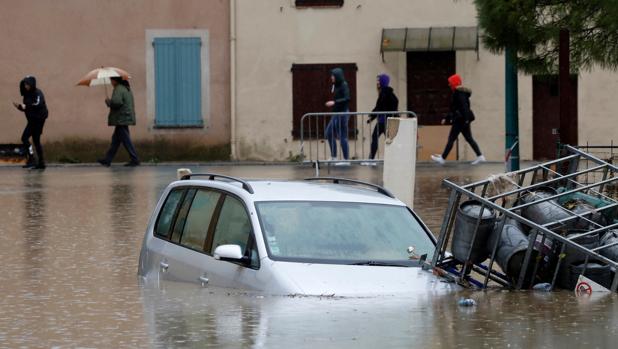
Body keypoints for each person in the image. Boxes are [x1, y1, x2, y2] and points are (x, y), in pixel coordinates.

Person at [431, 74, 485, 165]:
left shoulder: (459, 93)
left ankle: (442, 158)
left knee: (451, 138)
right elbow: (455, 108)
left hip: (460, 120)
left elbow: (463, 107)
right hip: (463, 120)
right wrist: (446, 118)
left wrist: (465, 120)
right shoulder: (460, 93)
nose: (449, 85)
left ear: (454, 83)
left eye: (450, 83)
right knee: (469, 138)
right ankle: (480, 156)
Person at [98, 77, 140, 167]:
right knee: (115, 141)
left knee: (126, 140)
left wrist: (109, 102)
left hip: (121, 118)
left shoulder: (118, 89)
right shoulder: (125, 88)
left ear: (115, 80)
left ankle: (135, 159)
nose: (110, 82)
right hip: (124, 117)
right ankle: (107, 159)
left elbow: (117, 102)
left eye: (111, 80)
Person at [13, 76, 48, 169]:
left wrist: (26, 106)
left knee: (27, 138)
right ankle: (39, 162)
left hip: (38, 120)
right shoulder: (26, 95)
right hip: (32, 120)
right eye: (24, 84)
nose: (26, 86)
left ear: (32, 84)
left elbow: (38, 104)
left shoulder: (38, 93)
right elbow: (27, 109)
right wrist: (19, 107)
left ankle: (35, 161)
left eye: (27, 84)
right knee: (32, 140)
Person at [363, 73, 398, 165]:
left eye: (379, 80)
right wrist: (372, 117)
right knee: (386, 140)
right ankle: (373, 159)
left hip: (385, 121)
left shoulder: (385, 93)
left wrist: (391, 114)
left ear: (383, 82)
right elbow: (379, 107)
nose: (377, 82)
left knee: (385, 139)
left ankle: (372, 160)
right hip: (383, 121)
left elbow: (380, 107)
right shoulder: (384, 92)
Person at [324, 68, 350, 166]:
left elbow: (347, 99)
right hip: (336, 113)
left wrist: (334, 102)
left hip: (343, 113)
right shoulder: (335, 85)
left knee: (342, 136)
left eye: (333, 76)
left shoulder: (344, 85)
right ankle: (334, 156)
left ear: (337, 76)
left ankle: (346, 159)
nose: (331, 77)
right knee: (328, 132)